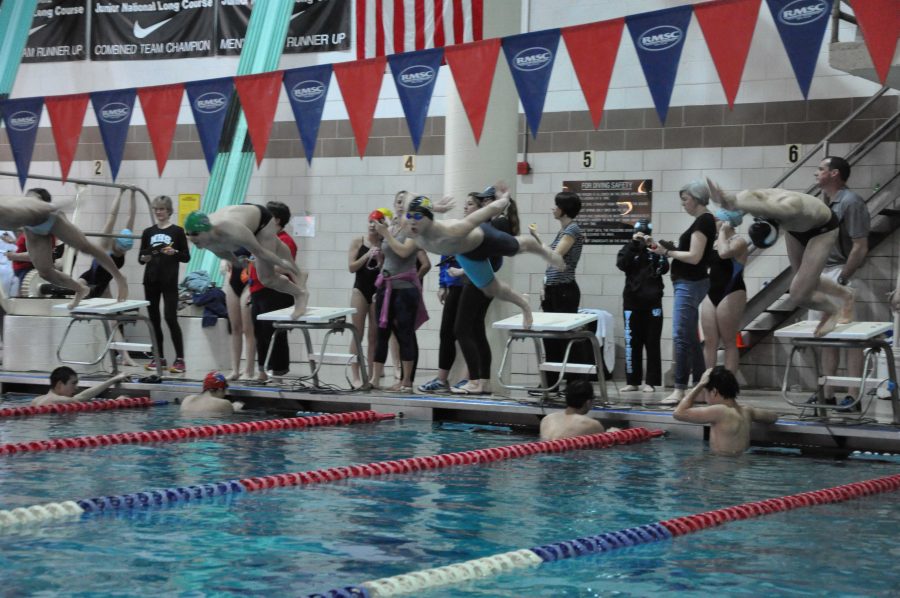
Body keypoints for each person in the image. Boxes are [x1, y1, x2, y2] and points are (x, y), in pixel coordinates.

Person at [705, 177, 855, 338]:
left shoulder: (790, 205)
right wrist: (726, 203)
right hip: (795, 230)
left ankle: (832, 310)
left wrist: (729, 201)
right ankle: (847, 294)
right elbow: (735, 208)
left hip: (822, 229)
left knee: (799, 294)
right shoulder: (749, 199)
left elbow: (749, 204)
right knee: (806, 280)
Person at [401, 187, 564, 329]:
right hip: (466, 256)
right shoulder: (411, 229)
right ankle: (523, 303)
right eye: (410, 216)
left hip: (484, 240)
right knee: (491, 290)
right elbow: (408, 198)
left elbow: (486, 212)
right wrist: (435, 206)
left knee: (520, 247)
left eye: (417, 217)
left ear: (429, 219)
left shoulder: (453, 230)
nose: (412, 222)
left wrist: (504, 199)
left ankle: (545, 252)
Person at [0, 190, 129, 309]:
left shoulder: (11, 208)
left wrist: (67, 203)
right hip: (32, 228)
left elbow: (35, 204)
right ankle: (80, 289)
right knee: (45, 272)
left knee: (85, 247)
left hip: (48, 217)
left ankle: (119, 277)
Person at [811, 157, 871, 411]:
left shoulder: (851, 202)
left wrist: (844, 277)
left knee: (849, 336)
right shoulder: (825, 203)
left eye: (821, 169)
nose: (816, 173)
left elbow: (860, 245)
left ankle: (853, 394)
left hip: (838, 272)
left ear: (835, 173)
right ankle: (827, 392)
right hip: (822, 272)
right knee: (824, 335)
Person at [183, 203, 308, 320]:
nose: (191, 239)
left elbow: (261, 252)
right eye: (187, 234)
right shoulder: (205, 238)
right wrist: (239, 262)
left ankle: (300, 293)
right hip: (243, 215)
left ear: (206, 230)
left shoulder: (231, 231)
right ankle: (299, 273)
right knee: (277, 245)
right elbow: (224, 254)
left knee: (266, 278)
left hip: (260, 221)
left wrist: (282, 264)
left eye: (194, 235)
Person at [452, 186, 521, 396]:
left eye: (483, 201)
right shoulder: (496, 222)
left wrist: (465, 269)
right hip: (480, 280)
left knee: (461, 329)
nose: (481, 205)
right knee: (476, 330)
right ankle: (484, 381)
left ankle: (474, 380)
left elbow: (491, 256)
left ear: (493, 201)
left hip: (478, 282)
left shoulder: (497, 222)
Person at [652, 181, 715, 405]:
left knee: (680, 335)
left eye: (685, 199)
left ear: (697, 199)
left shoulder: (704, 221)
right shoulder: (703, 221)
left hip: (690, 283)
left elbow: (695, 256)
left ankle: (680, 389)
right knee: (689, 335)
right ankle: (699, 385)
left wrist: (668, 252)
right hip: (689, 282)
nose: (683, 204)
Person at [368, 202, 426, 392]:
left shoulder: (413, 233)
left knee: (404, 334)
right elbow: (388, 258)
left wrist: (385, 235)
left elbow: (403, 252)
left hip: (405, 290)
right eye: (398, 202)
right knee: (381, 333)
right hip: (386, 287)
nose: (400, 208)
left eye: (404, 203)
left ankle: (406, 380)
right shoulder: (391, 231)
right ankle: (375, 378)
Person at [77, 189, 138, 366]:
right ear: (115, 243)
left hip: (104, 287)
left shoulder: (125, 238)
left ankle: (125, 357)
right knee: (79, 305)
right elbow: (112, 215)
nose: (121, 253)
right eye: (120, 250)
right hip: (88, 281)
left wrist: (132, 195)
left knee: (114, 322)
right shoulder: (105, 242)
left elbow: (131, 217)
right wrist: (120, 193)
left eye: (124, 252)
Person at [539, 190, 587, 392]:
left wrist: (537, 241)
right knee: (549, 338)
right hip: (554, 290)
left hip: (564, 291)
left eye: (555, 205)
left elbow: (555, 256)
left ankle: (573, 384)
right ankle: (551, 384)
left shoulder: (572, 230)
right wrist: (544, 285)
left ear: (563, 209)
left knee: (564, 339)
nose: (553, 208)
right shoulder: (563, 231)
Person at [673, 366, 778, 456]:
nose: (705, 399)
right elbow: (773, 417)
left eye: (705, 392)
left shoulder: (719, 411)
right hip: (741, 463)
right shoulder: (747, 411)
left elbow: (678, 413)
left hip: (721, 467)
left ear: (714, 392)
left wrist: (700, 384)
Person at [246, 201, 298, 381]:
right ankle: (262, 371)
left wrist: (265, 266)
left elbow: (287, 267)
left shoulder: (285, 241)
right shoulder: (264, 240)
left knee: (274, 333)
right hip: (258, 290)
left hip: (276, 292)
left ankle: (278, 372)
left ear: (276, 219)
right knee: (260, 333)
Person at [139, 195, 190, 373]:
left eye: (162, 209)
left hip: (169, 281)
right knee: (153, 320)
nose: (159, 212)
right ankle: (158, 357)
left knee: (170, 317)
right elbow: (141, 257)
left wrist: (174, 252)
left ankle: (180, 359)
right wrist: (145, 257)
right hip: (151, 280)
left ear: (169, 210)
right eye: (156, 209)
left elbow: (186, 257)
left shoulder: (177, 231)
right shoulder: (148, 232)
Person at [616, 219, 668, 392]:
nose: (642, 236)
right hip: (632, 303)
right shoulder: (628, 248)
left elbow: (664, 268)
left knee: (652, 343)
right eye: (640, 233)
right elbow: (622, 265)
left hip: (653, 304)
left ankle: (651, 382)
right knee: (632, 343)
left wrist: (652, 246)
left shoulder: (655, 248)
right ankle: (633, 381)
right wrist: (633, 244)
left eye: (645, 233)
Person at [701, 211, 748, 375]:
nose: (712, 223)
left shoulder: (740, 241)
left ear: (727, 222)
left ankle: (728, 388)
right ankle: (706, 385)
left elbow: (724, 253)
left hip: (732, 291)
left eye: (716, 220)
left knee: (729, 342)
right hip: (711, 292)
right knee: (709, 342)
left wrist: (721, 232)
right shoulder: (714, 242)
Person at [417, 252, 468, 393]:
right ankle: (441, 379)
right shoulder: (450, 234)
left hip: (471, 284)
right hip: (454, 286)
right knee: (446, 333)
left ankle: (469, 379)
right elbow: (446, 256)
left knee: (467, 333)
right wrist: (443, 284)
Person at [348, 208, 388, 386]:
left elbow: (387, 271)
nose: (373, 225)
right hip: (360, 290)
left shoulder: (386, 243)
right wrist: (367, 254)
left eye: (377, 222)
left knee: (374, 335)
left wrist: (380, 259)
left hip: (377, 290)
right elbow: (351, 267)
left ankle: (372, 376)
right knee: (357, 333)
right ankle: (356, 375)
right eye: (371, 221)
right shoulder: (358, 241)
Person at [221, 250, 255, 381]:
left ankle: (249, 370)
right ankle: (235, 370)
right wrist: (223, 259)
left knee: (248, 330)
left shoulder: (253, 233)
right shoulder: (230, 236)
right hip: (232, 278)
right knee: (235, 328)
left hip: (249, 280)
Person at [540, 379, 611, 440]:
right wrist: (612, 433)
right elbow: (605, 440)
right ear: (588, 402)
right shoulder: (591, 424)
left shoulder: (547, 419)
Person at [32, 367, 129, 407]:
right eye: (73, 383)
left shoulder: (36, 400)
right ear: (59, 384)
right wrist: (116, 401)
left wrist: (113, 380)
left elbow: (82, 397)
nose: (76, 388)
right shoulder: (61, 400)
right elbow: (94, 406)